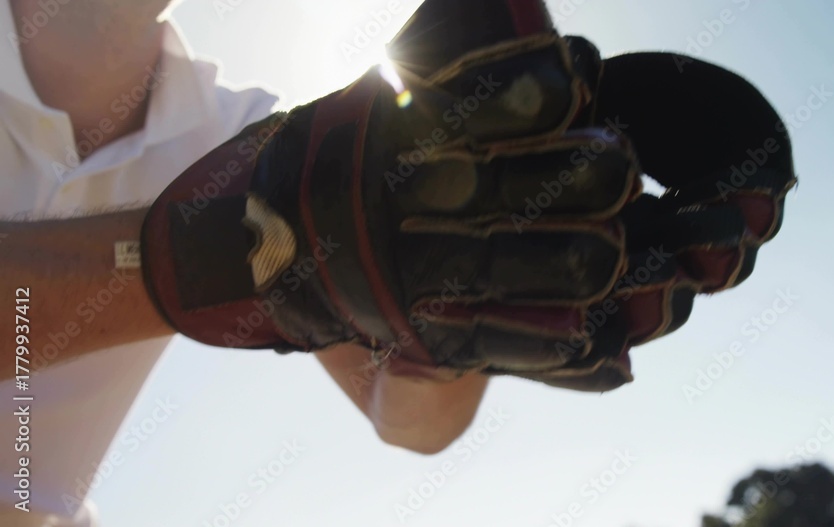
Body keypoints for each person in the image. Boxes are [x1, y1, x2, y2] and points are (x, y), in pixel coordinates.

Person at [0, 1, 488, 525]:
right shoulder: (263, 169)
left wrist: (453, 294)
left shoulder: (254, 143)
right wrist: (205, 249)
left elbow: (410, 417)